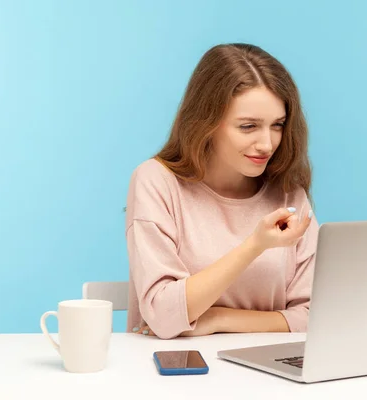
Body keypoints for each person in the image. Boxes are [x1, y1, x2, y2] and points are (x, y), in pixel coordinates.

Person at [124, 43, 319, 340]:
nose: (267, 144)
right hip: (175, 370)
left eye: (277, 125)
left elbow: (313, 316)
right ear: (207, 123)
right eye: (248, 126)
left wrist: (218, 318)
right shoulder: (157, 182)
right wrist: (255, 245)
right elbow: (163, 314)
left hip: (266, 372)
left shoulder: (288, 194)